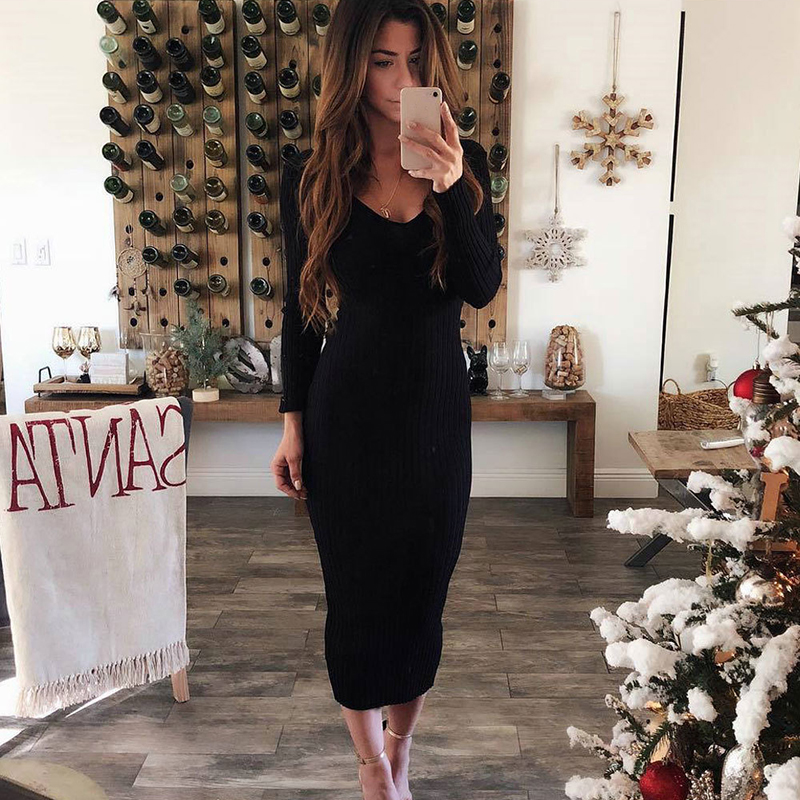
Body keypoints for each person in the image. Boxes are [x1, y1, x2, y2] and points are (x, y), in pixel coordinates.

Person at [270, 1, 502, 797]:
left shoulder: (464, 160)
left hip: (436, 415)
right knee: (357, 596)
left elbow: (480, 286)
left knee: (420, 594)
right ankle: (371, 767)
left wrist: (452, 187)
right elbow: (300, 313)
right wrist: (292, 424)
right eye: (382, 61)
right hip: (347, 417)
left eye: (414, 61)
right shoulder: (313, 174)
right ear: (350, 65)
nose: (402, 79)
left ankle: (401, 749)